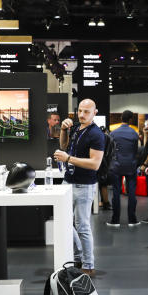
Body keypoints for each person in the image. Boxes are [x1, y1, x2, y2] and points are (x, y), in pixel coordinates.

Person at [53, 99, 104, 277]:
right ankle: (78, 257)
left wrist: (68, 159)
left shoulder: (96, 134)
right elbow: (63, 146)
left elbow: (95, 164)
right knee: (66, 223)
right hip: (68, 182)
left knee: (82, 226)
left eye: (86, 112)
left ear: (94, 113)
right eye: (80, 111)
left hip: (84, 185)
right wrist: (64, 130)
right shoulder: (75, 127)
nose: (82, 115)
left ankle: (88, 265)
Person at [108, 110, 140, 227]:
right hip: (131, 165)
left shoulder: (114, 133)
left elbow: (110, 150)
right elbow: (137, 151)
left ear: (121, 118)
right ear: (130, 119)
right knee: (132, 192)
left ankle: (115, 220)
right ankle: (132, 220)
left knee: (116, 192)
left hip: (116, 165)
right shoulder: (134, 133)